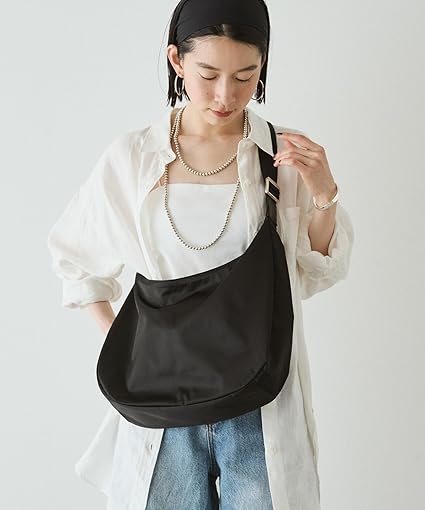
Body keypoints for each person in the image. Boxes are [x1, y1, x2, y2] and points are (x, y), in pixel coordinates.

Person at [46, 0, 354, 508]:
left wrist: (324, 194)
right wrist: (134, 346)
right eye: (208, 74)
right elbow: (76, 261)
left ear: (262, 65)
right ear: (177, 60)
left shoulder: (282, 155)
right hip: (161, 413)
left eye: (245, 75)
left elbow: (314, 272)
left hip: (261, 400)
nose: (225, 95)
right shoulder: (134, 157)